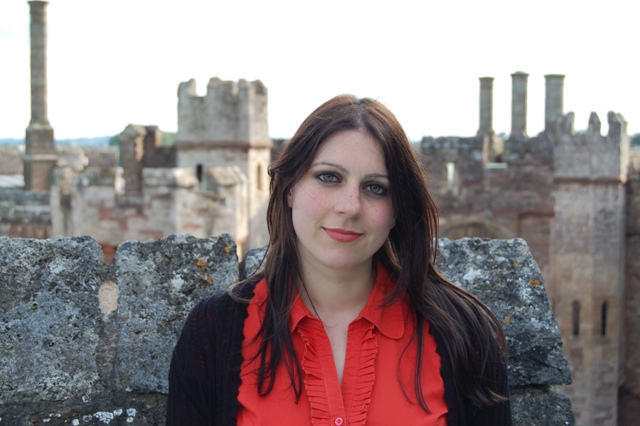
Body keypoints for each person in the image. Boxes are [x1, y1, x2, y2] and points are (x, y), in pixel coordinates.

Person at [166, 95, 512, 425]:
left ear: (396, 211)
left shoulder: (464, 336)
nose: (350, 206)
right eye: (328, 177)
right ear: (289, 188)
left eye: (376, 187)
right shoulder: (213, 333)